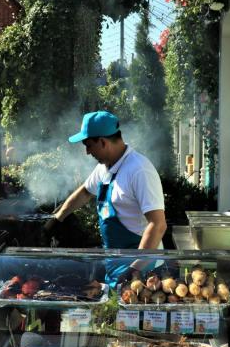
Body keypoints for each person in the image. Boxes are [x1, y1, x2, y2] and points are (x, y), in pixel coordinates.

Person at [44, 111, 167, 286]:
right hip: (115, 263)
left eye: (88, 145)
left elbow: (158, 224)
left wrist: (135, 269)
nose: (87, 152)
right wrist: (57, 218)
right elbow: (85, 192)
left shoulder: (139, 170)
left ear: (102, 141)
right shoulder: (104, 168)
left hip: (144, 270)